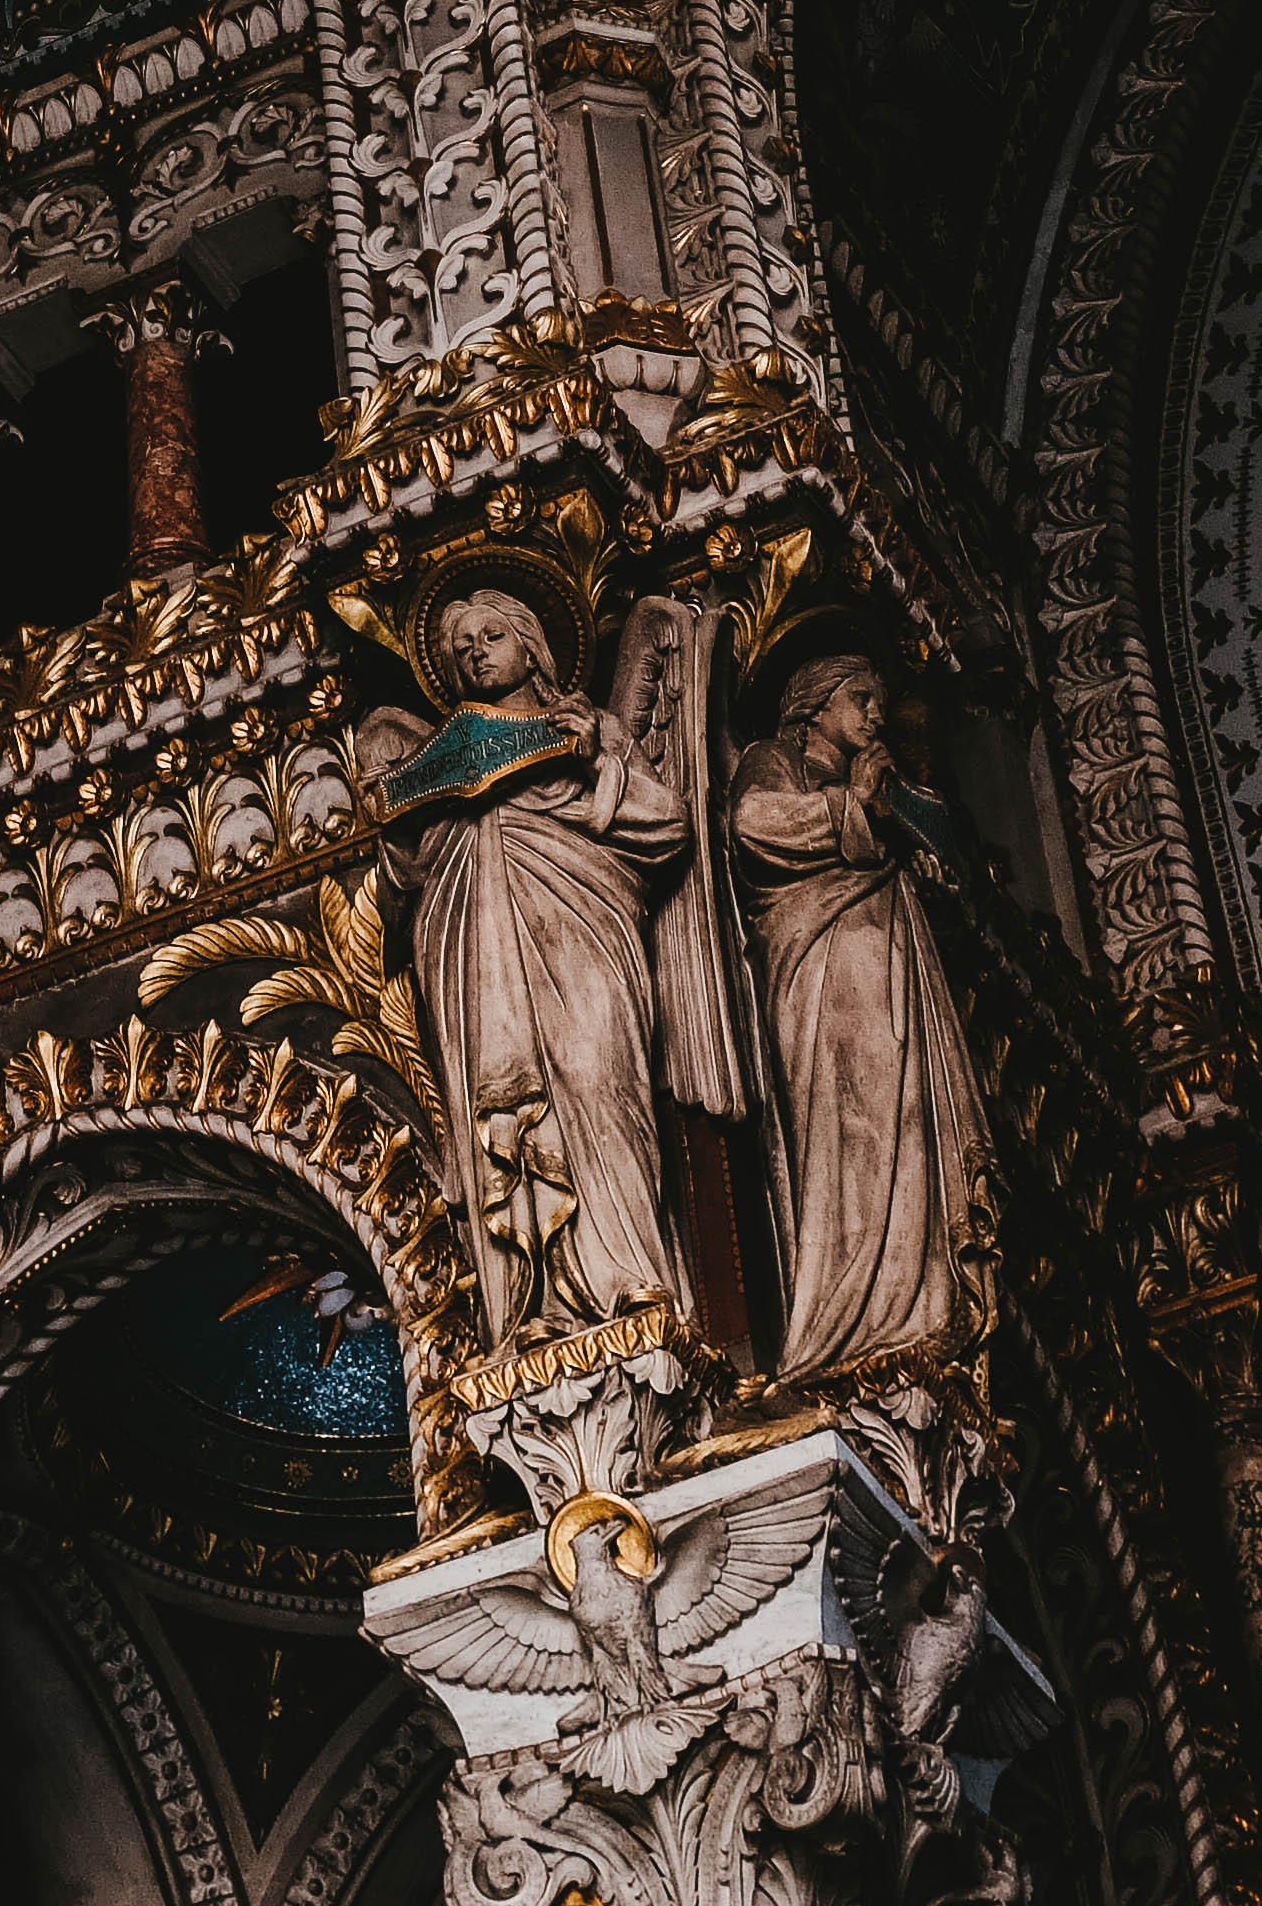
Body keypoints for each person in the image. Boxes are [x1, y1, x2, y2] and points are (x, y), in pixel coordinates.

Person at [384, 576, 690, 1349]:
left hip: (582, 933)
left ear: (531, 648)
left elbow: (669, 825)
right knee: (504, 1111)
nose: (476, 655)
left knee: (595, 1078)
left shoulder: (587, 730)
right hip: (477, 957)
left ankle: (628, 1278)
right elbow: (411, 876)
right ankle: (538, 1304)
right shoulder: (444, 760)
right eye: (461, 650)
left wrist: (594, 765)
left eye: (491, 637)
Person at [732, 657, 989, 1371]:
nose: (876, 714)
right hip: (818, 970)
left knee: (903, 1121)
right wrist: (855, 804)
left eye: (879, 701)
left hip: (890, 970)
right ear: (814, 707)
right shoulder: (772, 759)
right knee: (845, 1129)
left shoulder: (883, 781)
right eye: (860, 698)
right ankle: (852, 1317)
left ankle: (916, 1306)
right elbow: (753, 823)